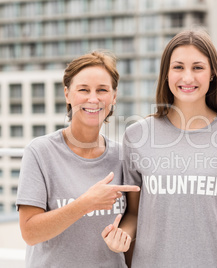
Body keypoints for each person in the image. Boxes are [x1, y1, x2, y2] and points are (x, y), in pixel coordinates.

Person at [101, 29, 217, 267]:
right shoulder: (137, 136)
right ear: (166, 74)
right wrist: (120, 236)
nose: (187, 77)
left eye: (197, 67)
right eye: (178, 67)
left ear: (212, 73)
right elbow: (134, 213)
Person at [16, 51, 140, 268]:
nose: (93, 99)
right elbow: (30, 233)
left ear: (114, 96)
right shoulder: (40, 152)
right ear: (67, 94)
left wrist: (123, 236)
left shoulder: (123, 156)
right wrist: (86, 203)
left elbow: (133, 215)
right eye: (83, 90)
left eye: (102, 90)